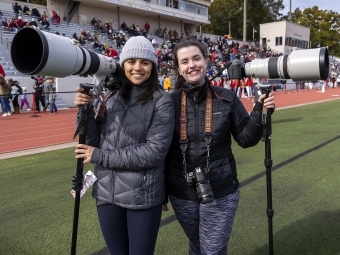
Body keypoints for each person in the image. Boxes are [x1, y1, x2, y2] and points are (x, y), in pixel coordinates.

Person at [164, 39, 275, 255]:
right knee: (196, 246)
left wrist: (260, 112)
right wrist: (161, 193)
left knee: (212, 250)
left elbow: (245, 138)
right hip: (181, 191)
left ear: (206, 61)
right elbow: (162, 151)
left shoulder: (226, 97)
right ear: (178, 69)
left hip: (221, 189)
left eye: (196, 58)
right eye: (184, 61)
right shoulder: (169, 101)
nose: (192, 65)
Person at [73, 36, 175, 255]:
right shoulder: (110, 96)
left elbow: (153, 153)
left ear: (153, 67)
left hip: (143, 196)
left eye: (144, 62)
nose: (137, 68)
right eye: (131, 62)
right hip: (107, 194)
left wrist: (100, 156)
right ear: (123, 65)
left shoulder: (161, 100)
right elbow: (92, 141)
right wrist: (85, 110)